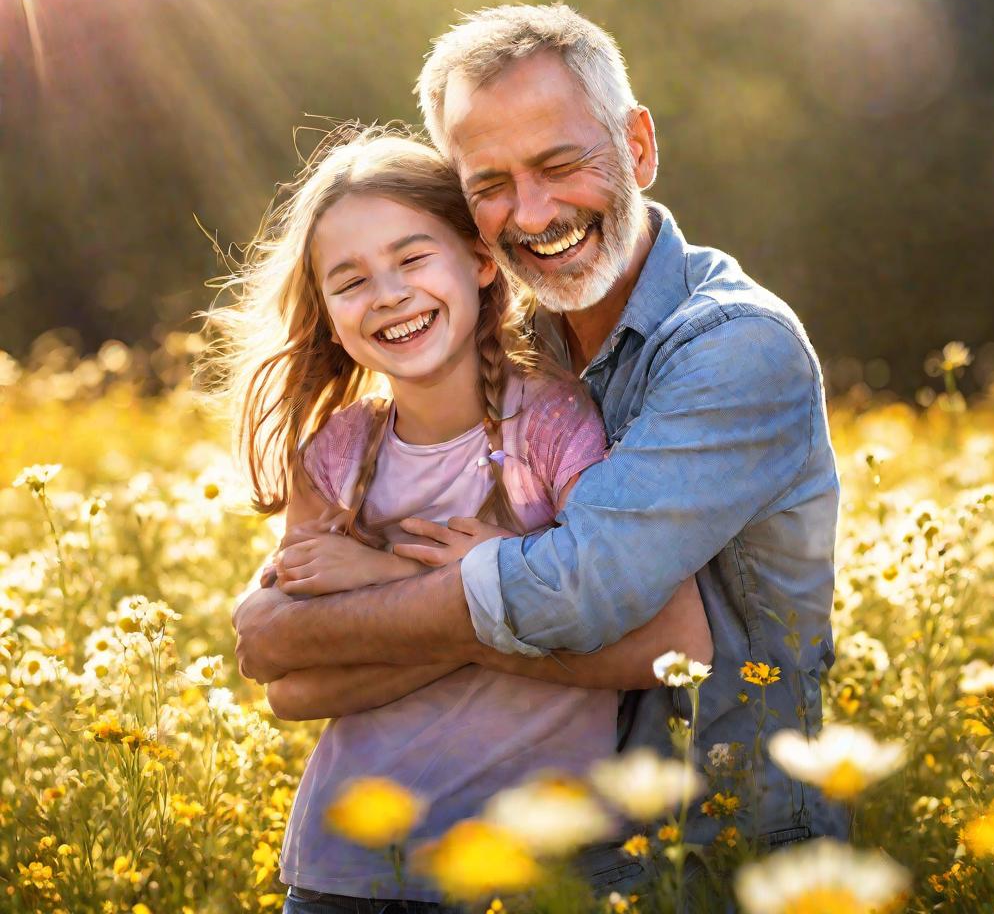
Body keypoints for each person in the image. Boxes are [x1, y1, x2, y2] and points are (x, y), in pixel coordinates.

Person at [234, 3, 840, 873]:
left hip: (734, 845)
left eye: (562, 164)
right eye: (490, 184)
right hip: (576, 854)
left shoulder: (737, 346)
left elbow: (580, 596)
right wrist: (372, 607)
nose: (533, 210)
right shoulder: (510, 340)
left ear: (637, 146)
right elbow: (268, 645)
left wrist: (369, 597)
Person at [215, 126, 712, 912]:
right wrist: (509, 600)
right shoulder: (337, 454)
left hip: (531, 869)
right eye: (349, 281)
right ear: (329, 313)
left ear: (481, 262)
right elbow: (288, 682)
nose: (387, 294)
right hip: (345, 870)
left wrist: (393, 579)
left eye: (413, 258)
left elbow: (664, 644)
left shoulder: (557, 425)